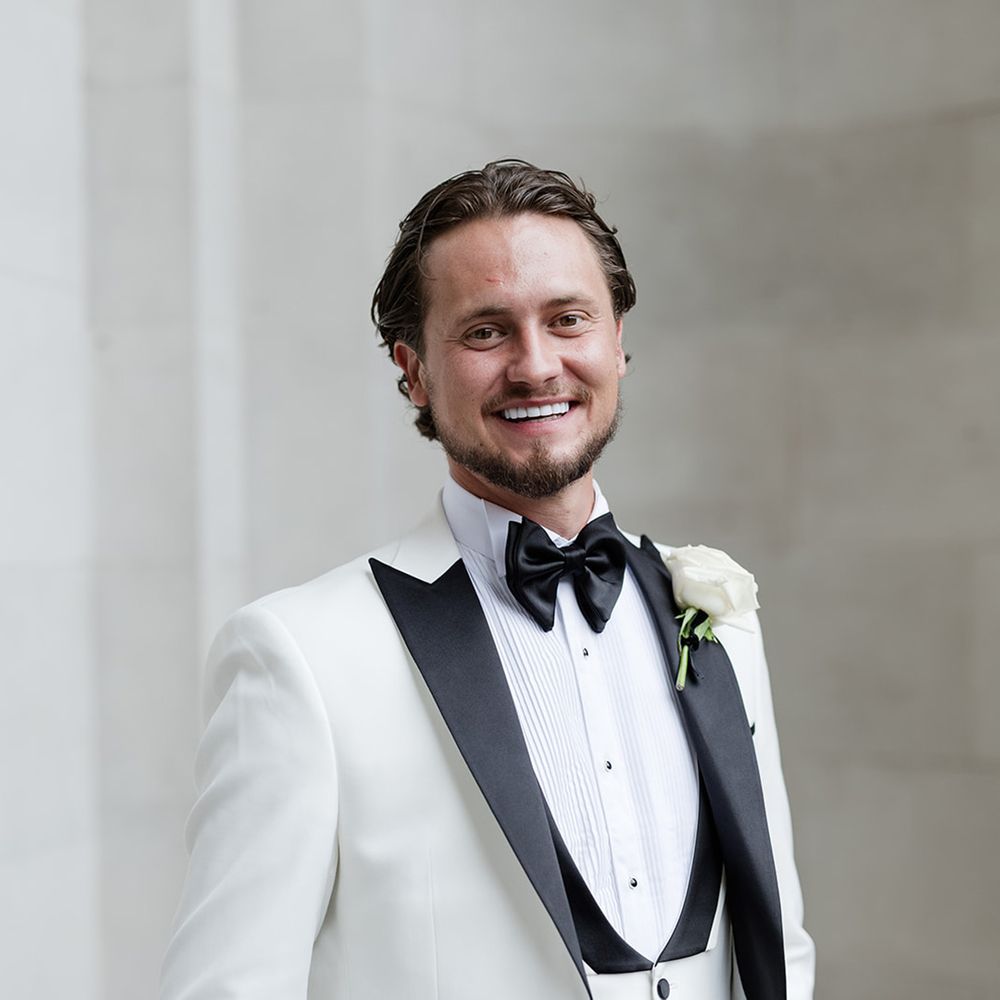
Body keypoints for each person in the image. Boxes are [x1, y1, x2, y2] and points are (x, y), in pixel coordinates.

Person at [161, 160, 815, 1000]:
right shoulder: (303, 655)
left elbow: (778, 941)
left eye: (568, 319)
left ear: (617, 342)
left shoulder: (717, 617)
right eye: (484, 332)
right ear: (415, 371)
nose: (536, 366)